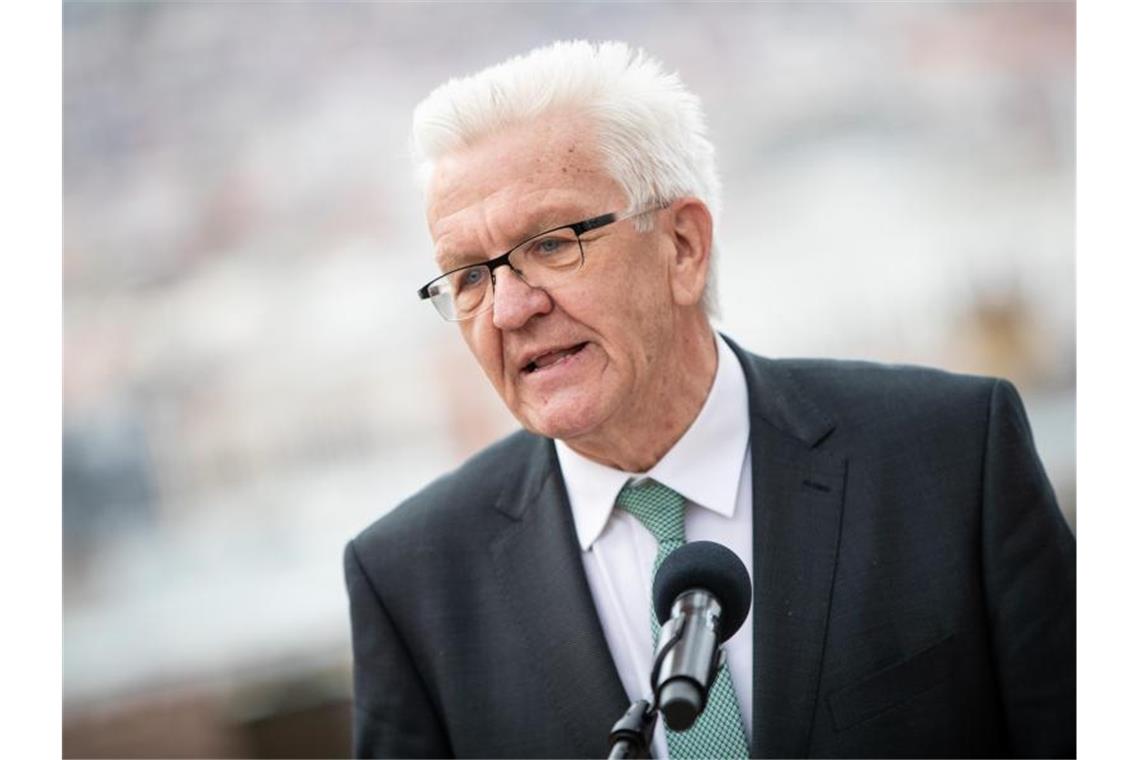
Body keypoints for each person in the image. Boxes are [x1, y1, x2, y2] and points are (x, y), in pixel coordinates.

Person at [343, 40, 1075, 759]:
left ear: (684, 246)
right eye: (469, 276)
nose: (508, 308)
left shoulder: (950, 456)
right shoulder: (411, 582)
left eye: (551, 243)